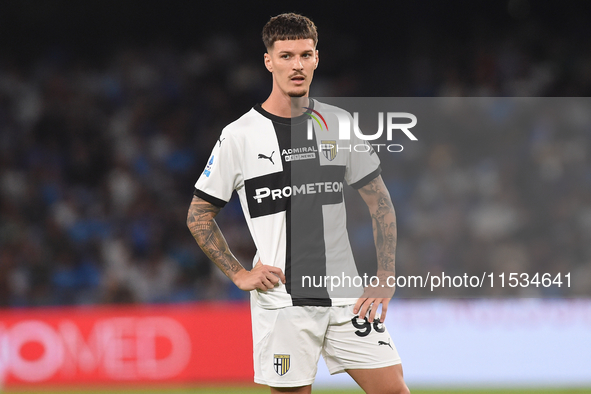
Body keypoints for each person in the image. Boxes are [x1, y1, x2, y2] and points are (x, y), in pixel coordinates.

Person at [187, 13, 409, 394]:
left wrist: (386, 276)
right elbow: (198, 214)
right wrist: (239, 274)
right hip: (283, 304)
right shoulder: (239, 136)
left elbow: (381, 204)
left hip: (348, 299)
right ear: (268, 61)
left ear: (317, 58)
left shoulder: (338, 124)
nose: (297, 65)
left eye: (305, 55)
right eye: (286, 56)